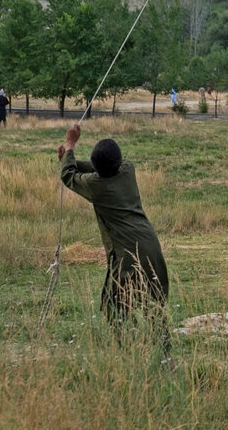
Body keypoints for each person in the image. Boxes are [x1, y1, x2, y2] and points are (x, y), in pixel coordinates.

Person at [58, 123, 170, 349]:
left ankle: (133, 352)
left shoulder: (96, 186)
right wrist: (68, 158)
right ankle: (167, 358)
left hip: (127, 252)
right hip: (151, 244)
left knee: (113, 305)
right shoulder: (128, 169)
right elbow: (89, 168)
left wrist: (70, 146)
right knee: (154, 306)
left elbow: (69, 176)